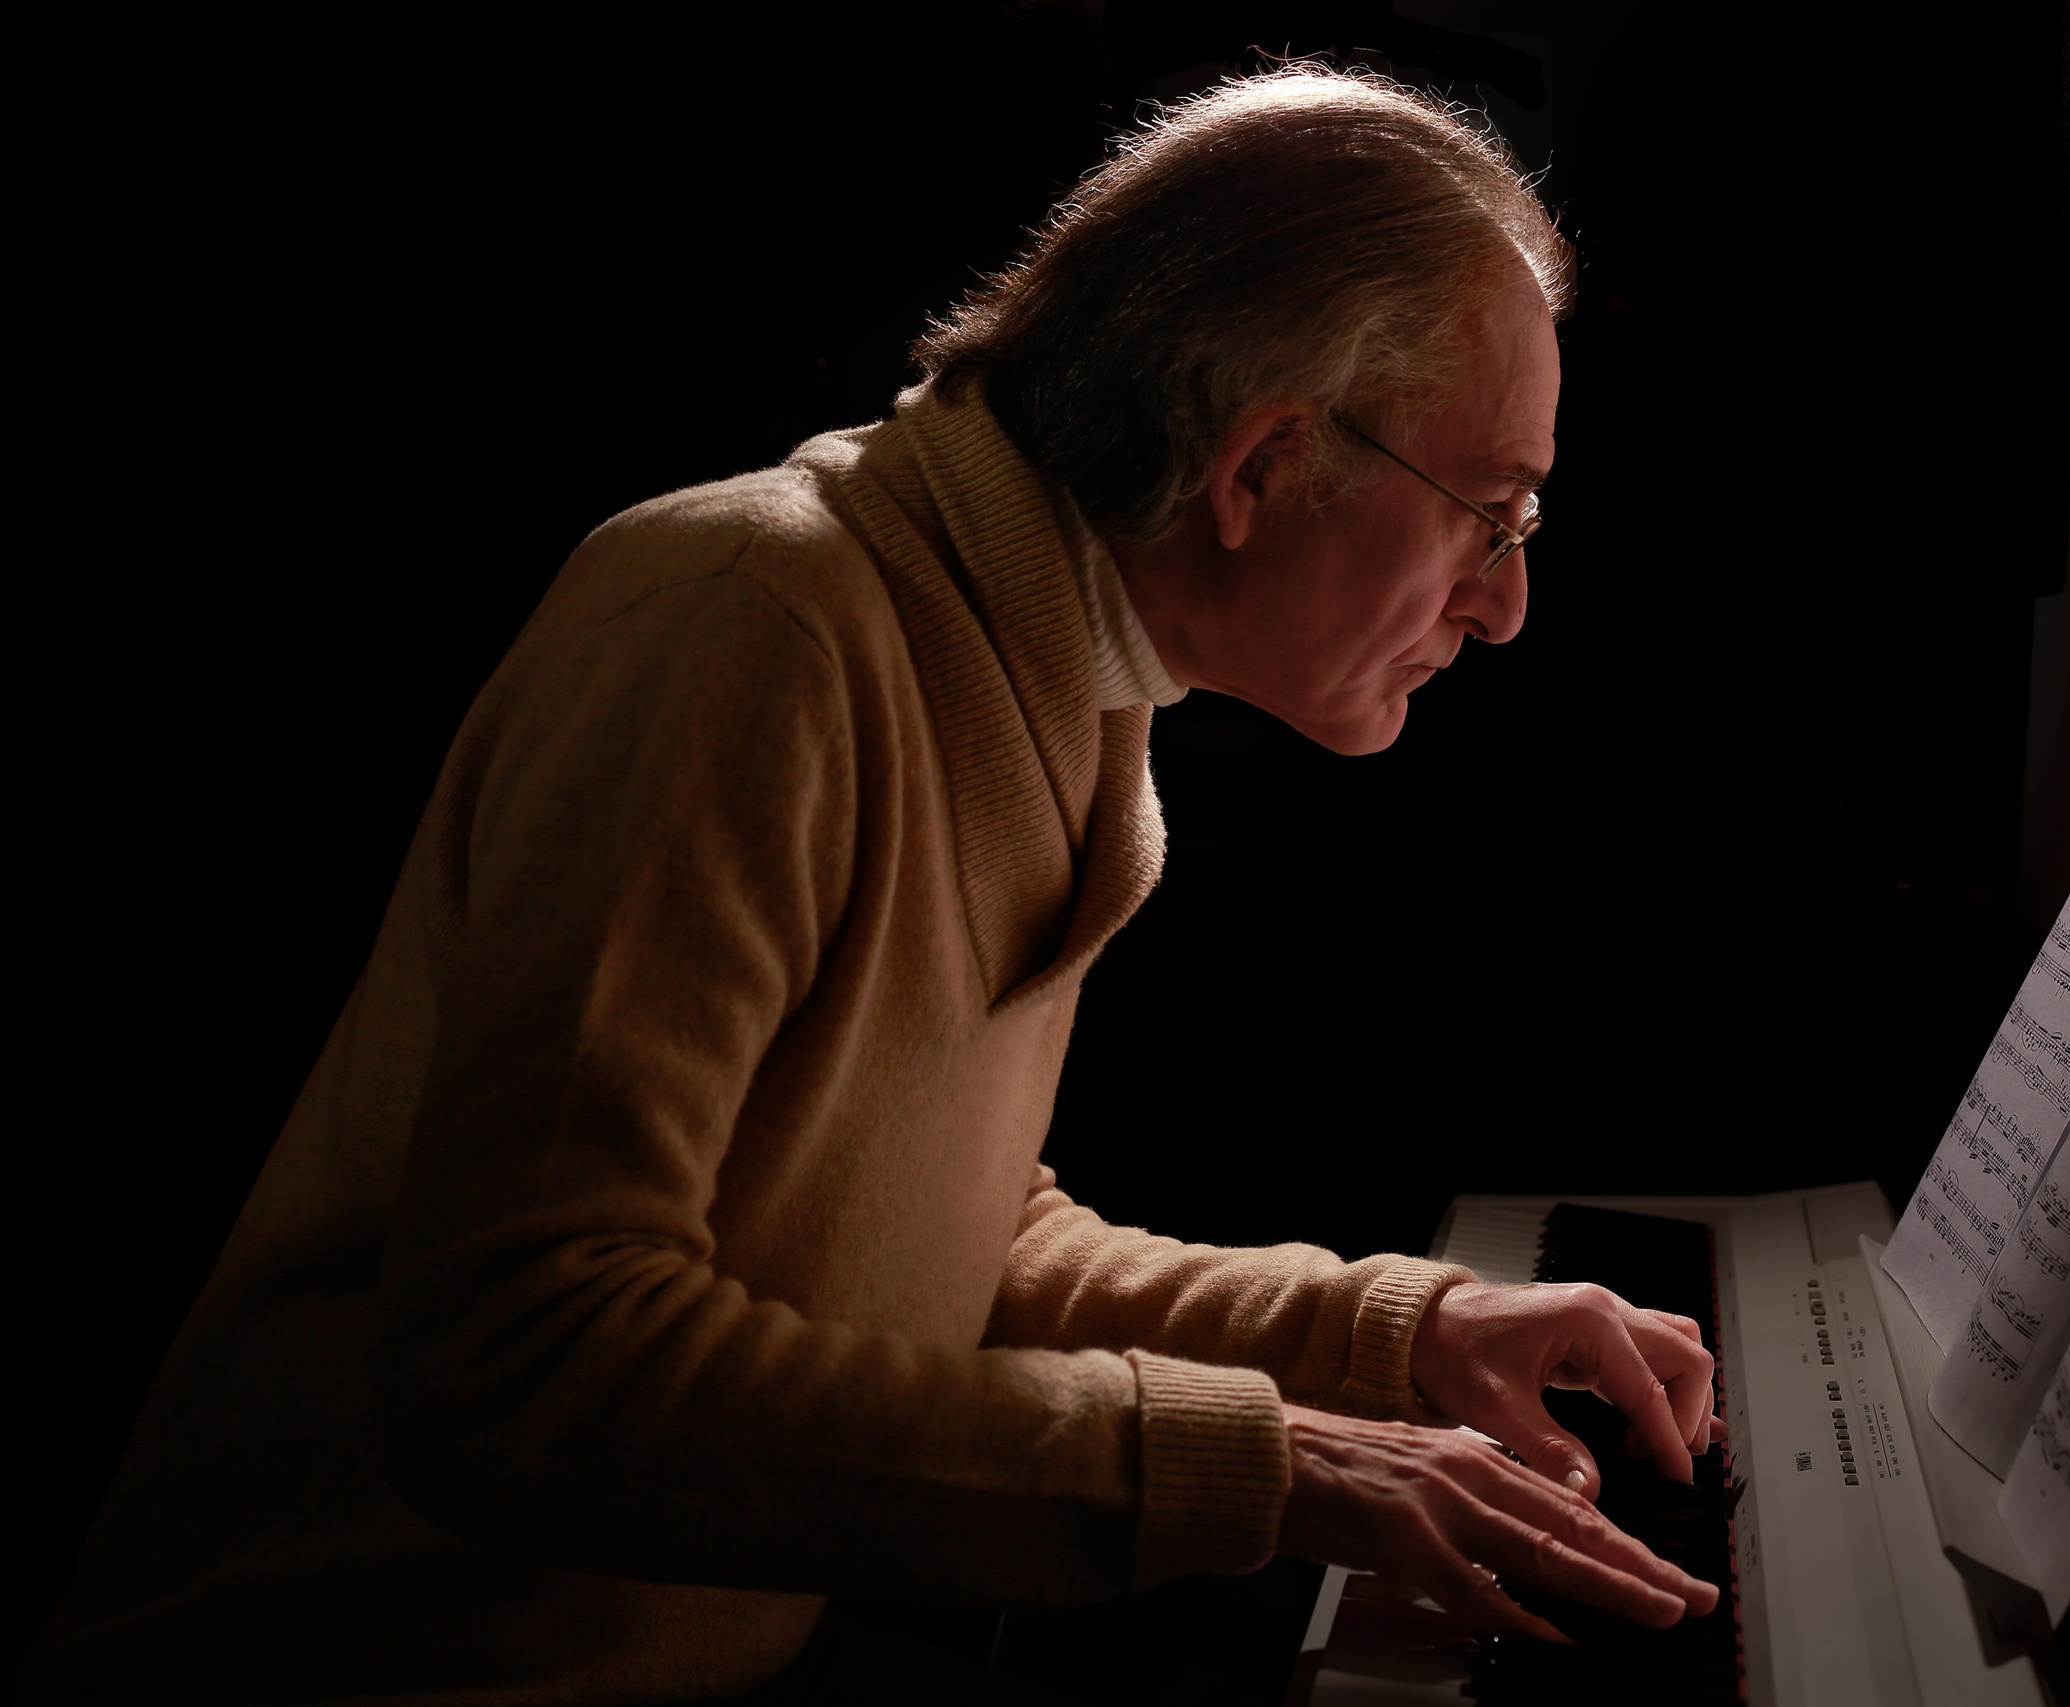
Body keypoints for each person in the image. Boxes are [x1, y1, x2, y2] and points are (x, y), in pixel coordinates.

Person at [24, 69, 1722, 1704]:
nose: (1501, 606)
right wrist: (1263, 1460)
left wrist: (1388, 1331)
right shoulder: (751, 622)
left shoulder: (1057, 664)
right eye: (1493, 514)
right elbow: (527, 1366)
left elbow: (923, 1243)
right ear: (1260, 467)